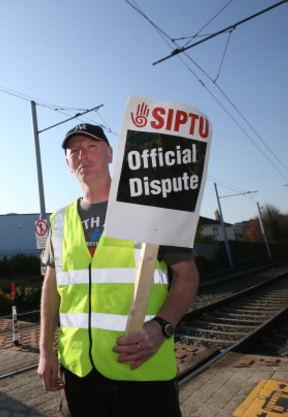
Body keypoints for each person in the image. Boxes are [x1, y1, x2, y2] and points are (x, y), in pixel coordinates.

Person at [37, 123, 199, 417]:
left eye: (91, 146)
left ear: (110, 154)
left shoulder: (149, 207)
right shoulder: (59, 221)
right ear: (67, 162)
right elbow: (51, 286)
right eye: (74, 150)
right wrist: (46, 350)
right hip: (78, 373)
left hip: (140, 369)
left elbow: (187, 275)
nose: (82, 155)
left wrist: (162, 327)